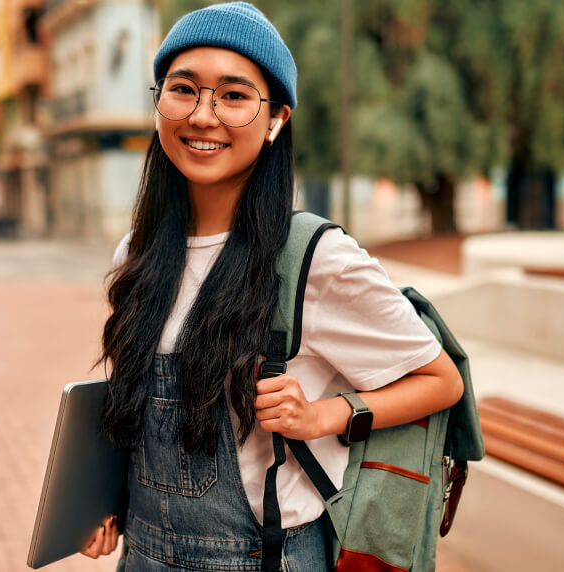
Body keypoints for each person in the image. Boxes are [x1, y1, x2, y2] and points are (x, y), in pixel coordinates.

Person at [84, 3, 464, 570]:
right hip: (141, 558)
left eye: (234, 96)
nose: (203, 115)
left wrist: (323, 417)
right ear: (158, 100)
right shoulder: (137, 252)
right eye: (183, 89)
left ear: (276, 120)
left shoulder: (313, 257)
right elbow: (135, 412)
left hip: (265, 559)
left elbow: (441, 381)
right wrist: (102, 502)